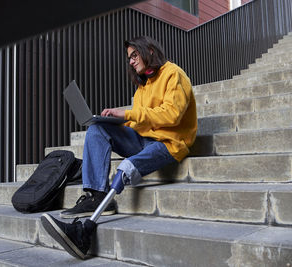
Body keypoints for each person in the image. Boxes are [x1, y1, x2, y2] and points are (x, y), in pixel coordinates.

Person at [40, 36, 197, 259]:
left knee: (126, 167)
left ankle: (84, 232)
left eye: (134, 55)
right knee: (97, 129)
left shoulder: (174, 74)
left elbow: (171, 115)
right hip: (142, 139)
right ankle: (95, 194)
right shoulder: (143, 86)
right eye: (129, 58)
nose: (131, 61)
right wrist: (115, 120)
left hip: (168, 144)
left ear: (149, 51)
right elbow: (139, 121)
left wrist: (127, 113)